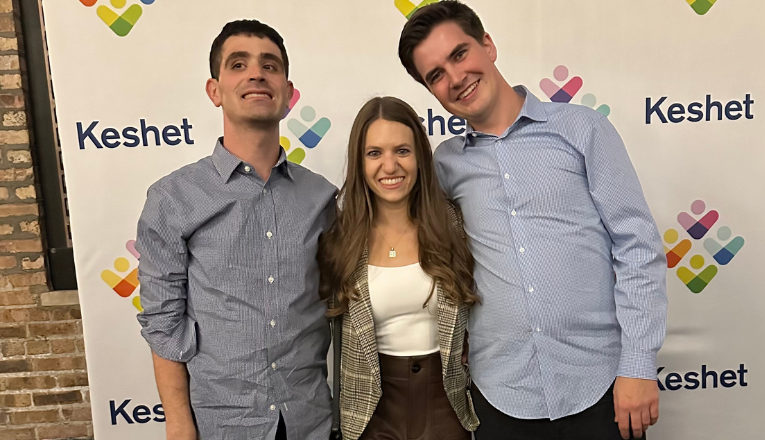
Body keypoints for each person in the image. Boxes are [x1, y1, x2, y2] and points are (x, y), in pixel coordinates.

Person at [397, 2, 668, 440]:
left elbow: (637, 247)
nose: (455, 78)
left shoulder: (582, 129)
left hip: (601, 388)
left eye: (460, 54)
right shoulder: (444, 164)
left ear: (488, 45)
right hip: (500, 395)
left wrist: (638, 364)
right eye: (436, 75)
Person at [136, 20, 336, 440]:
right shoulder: (173, 199)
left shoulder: (322, 198)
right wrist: (178, 424)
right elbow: (163, 323)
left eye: (270, 65)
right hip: (222, 427)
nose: (256, 73)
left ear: (287, 91)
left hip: (311, 422)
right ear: (215, 90)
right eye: (238, 64)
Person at [318, 96, 480, 440]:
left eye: (402, 151)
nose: (389, 166)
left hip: (447, 406)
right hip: (370, 415)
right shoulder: (340, 236)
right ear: (359, 162)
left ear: (420, 156)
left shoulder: (454, 223)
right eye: (374, 153)